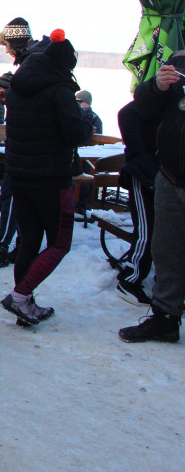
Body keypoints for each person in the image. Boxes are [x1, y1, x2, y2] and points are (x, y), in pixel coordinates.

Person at [0, 29, 93, 325]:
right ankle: (20, 297)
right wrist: (86, 123)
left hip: (20, 175)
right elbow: (75, 133)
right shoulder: (60, 90)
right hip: (52, 179)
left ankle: (24, 304)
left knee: (29, 242)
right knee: (59, 244)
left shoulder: (18, 86)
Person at [0, 17, 48, 270]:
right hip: (32, 143)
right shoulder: (40, 61)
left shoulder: (33, 64)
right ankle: (22, 245)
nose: (6, 51)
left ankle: (1, 246)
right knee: (22, 197)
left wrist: (9, 96)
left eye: (7, 45)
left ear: (15, 43)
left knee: (11, 193)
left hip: (26, 143)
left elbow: (33, 103)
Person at [118, 56, 185, 343]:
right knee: (166, 250)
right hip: (170, 175)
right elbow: (136, 108)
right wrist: (157, 86)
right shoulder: (178, 64)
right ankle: (165, 319)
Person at [113, 99, 157, 306]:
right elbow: (126, 114)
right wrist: (142, 156)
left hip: (168, 175)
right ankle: (130, 280)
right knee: (147, 230)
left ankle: (165, 283)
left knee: (167, 232)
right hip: (144, 173)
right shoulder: (159, 94)